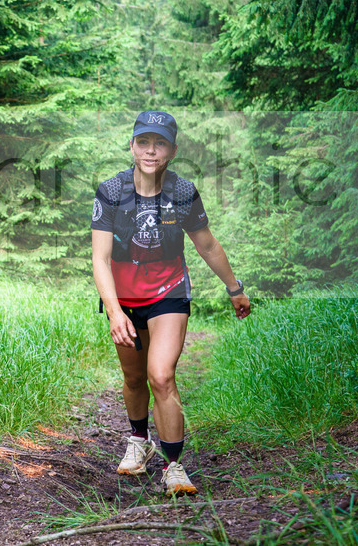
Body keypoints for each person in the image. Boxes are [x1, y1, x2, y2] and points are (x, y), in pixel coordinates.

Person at [90, 111, 251, 496]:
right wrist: (114, 312)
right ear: (131, 146)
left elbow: (207, 244)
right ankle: (138, 439)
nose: (151, 150)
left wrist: (234, 288)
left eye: (160, 143)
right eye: (143, 142)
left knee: (160, 374)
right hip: (123, 298)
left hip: (168, 293)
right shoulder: (111, 192)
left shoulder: (182, 192)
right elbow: (99, 258)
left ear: (172, 150)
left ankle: (173, 466)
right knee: (134, 377)